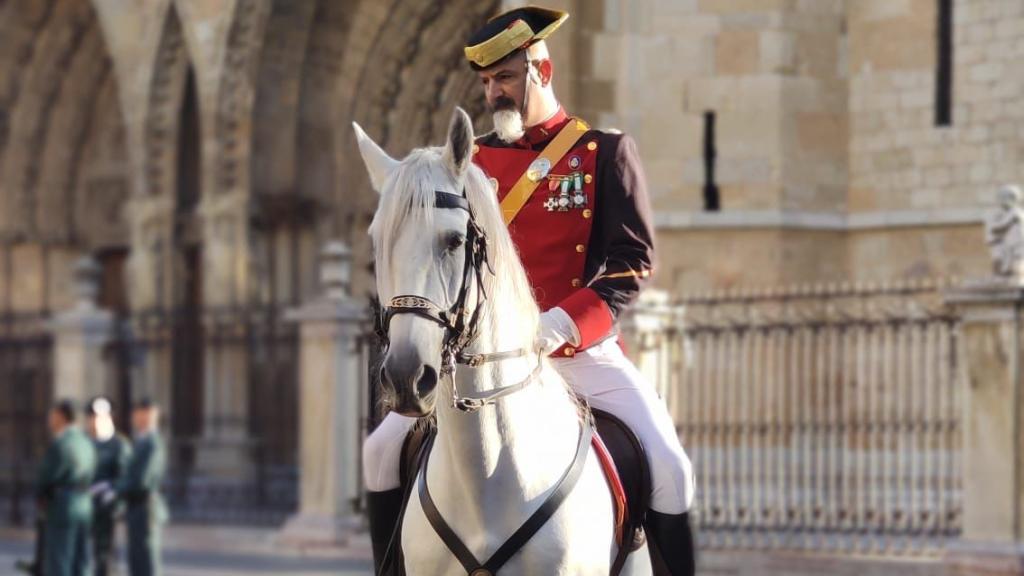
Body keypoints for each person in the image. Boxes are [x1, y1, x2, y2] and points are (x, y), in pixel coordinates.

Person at [362, 6, 697, 575]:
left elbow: (630, 262)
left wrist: (563, 324)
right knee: (378, 453)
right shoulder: (467, 164)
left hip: (576, 350)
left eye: (507, 78)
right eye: (488, 82)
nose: (495, 93)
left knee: (670, 466)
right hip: (481, 356)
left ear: (541, 69)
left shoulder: (603, 153)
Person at [34, 399, 98, 576]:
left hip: (63, 505)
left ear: (60, 417)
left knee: (60, 560)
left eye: (52, 415)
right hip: (85, 503)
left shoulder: (61, 443)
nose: (49, 420)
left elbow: (46, 477)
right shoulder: (86, 442)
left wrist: (40, 497)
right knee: (81, 560)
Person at [114, 398, 166, 576]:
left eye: (137, 413)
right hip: (136, 506)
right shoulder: (142, 440)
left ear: (146, 415)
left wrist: (117, 490)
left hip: (145, 507)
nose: (133, 418)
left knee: (146, 560)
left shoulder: (152, 442)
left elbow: (141, 480)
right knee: (136, 559)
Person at [85, 397, 132, 576]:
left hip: (106, 507)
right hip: (85, 505)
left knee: (105, 553)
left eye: (101, 417)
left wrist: (110, 489)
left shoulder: (119, 445)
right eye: (93, 417)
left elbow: (125, 475)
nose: (96, 421)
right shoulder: (86, 442)